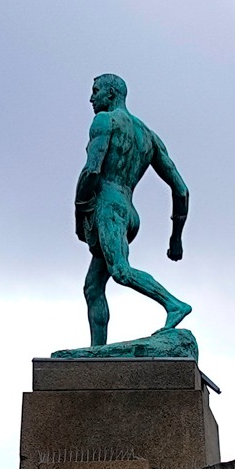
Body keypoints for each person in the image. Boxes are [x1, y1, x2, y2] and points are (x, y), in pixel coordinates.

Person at [75, 73, 191, 345]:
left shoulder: (104, 121)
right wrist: (175, 238)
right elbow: (181, 190)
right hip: (127, 211)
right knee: (93, 287)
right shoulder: (148, 136)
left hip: (108, 207)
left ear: (111, 93)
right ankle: (97, 352)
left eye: (95, 91)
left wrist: (79, 212)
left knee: (121, 271)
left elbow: (92, 170)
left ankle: (173, 304)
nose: (91, 98)